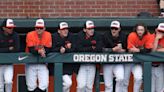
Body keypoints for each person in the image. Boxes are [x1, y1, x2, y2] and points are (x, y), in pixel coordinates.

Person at [123, 23, 153, 92]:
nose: (140, 31)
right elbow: (130, 49)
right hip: (128, 61)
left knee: (138, 78)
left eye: (142, 30)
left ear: (144, 30)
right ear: (136, 30)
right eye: (138, 30)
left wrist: (138, 50)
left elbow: (148, 49)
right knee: (125, 81)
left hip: (137, 62)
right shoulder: (132, 35)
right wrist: (142, 50)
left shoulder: (148, 35)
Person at [25, 19, 52, 92]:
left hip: (42, 63)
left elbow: (49, 48)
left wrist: (44, 51)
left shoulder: (48, 34)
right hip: (30, 62)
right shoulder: (30, 34)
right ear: (35, 28)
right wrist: (39, 51)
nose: (39, 30)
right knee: (31, 86)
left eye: (41, 28)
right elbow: (31, 50)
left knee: (44, 85)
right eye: (37, 28)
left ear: (44, 28)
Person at [51, 22, 79, 92]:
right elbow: (51, 49)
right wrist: (59, 49)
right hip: (56, 66)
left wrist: (66, 49)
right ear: (58, 31)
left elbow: (75, 48)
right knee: (68, 83)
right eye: (63, 29)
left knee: (68, 86)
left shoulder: (71, 36)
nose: (65, 31)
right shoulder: (54, 37)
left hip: (68, 65)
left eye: (66, 29)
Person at [76, 20, 102, 92]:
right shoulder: (80, 35)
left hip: (92, 63)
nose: (92, 30)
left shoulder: (97, 35)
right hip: (81, 63)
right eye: (89, 29)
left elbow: (99, 48)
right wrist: (91, 48)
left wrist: (86, 47)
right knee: (81, 86)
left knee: (89, 87)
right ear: (84, 29)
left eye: (92, 28)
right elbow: (78, 48)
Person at [102, 20, 127, 92]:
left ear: (119, 29)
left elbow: (127, 49)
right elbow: (101, 49)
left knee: (120, 78)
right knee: (108, 85)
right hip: (107, 62)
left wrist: (123, 51)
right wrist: (113, 49)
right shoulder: (105, 35)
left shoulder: (123, 36)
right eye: (112, 28)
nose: (114, 30)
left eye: (116, 29)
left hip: (118, 61)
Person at [0, 19, 19, 92]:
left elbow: (17, 49)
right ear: (4, 28)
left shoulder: (15, 35)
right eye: (9, 28)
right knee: (0, 86)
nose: (11, 29)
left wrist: (3, 49)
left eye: (12, 27)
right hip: (0, 64)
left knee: (8, 81)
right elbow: (11, 49)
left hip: (9, 63)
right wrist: (8, 49)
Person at [151, 23, 164, 92]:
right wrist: (156, 39)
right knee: (150, 89)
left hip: (160, 66)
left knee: (160, 90)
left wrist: (157, 50)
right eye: (159, 31)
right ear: (156, 30)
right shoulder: (150, 36)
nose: (161, 33)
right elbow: (152, 51)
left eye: (162, 32)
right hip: (149, 66)